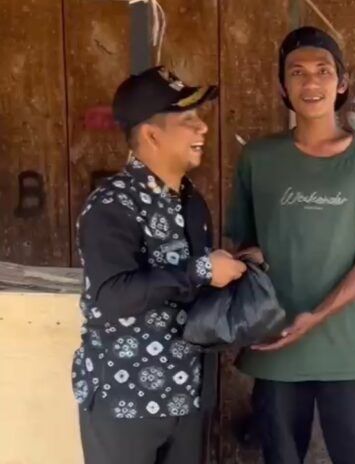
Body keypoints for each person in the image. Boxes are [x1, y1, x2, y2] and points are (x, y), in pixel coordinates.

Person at [225, 26, 355, 464]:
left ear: (341, 83)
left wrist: (317, 315)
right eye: (297, 72)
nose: (310, 82)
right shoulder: (259, 158)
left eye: (323, 71)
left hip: (344, 344)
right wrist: (250, 257)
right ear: (282, 87)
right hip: (276, 340)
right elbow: (244, 244)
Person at [72, 66, 247, 464]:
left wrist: (238, 271)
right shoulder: (113, 204)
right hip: (124, 400)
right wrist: (202, 270)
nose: (203, 128)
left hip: (185, 395)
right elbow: (112, 296)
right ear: (152, 135)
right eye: (188, 120)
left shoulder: (191, 201)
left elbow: (194, 286)